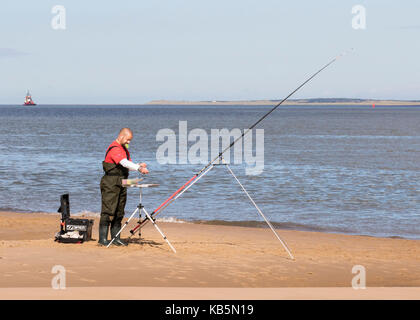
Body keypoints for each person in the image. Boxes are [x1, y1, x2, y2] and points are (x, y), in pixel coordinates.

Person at [99, 128, 149, 246]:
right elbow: (123, 162)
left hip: (123, 182)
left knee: (119, 211)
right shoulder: (115, 148)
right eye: (128, 140)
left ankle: (116, 238)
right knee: (108, 211)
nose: (129, 142)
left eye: (130, 140)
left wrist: (137, 165)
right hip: (110, 182)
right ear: (121, 136)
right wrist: (139, 168)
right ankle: (102, 240)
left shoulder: (124, 149)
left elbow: (128, 164)